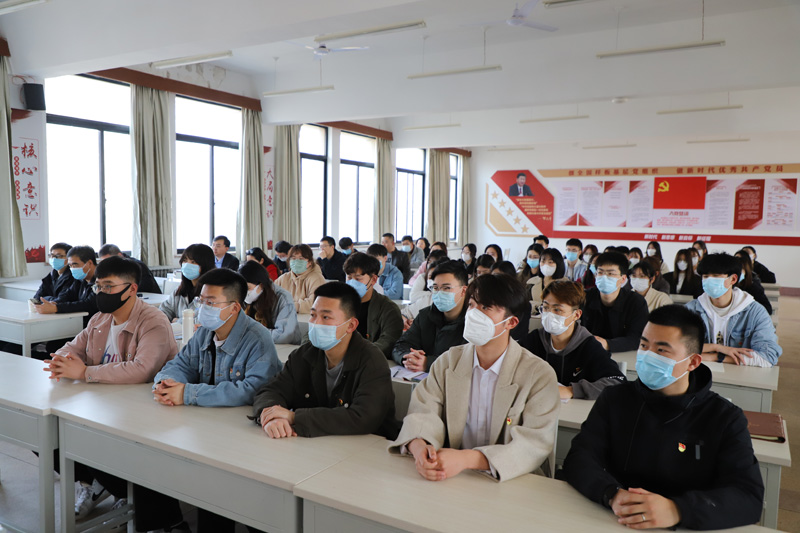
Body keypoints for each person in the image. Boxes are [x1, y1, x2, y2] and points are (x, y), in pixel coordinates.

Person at [562, 305, 764, 531]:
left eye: (661, 350)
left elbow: (748, 497)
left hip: (685, 525)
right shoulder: (615, 398)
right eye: (644, 346)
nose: (647, 356)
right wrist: (611, 494)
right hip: (617, 518)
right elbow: (579, 458)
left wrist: (678, 510)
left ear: (693, 362)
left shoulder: (724, 418)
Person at [44, 256, 181, 528]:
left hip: (145, 410)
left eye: (108, 286)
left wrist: (85, 372)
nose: (101, 292)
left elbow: (142, 369)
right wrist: (61, 360)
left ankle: (133, 497)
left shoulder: (153, 321)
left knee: (100, 443)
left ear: (131, 288)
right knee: (51, 436)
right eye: (98, 286)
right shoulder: (100, 318)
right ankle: (101, 484)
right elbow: (73, 347)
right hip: (105, 402)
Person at [389, 273, 559, 482]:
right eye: (471, 305)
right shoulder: (448, 361)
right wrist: (420, 446)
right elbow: (424, 413)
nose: (473, 314)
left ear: (511, 322)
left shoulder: (538, 374)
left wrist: (467, 459)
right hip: (450, 475)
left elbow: (533, 444)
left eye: (486, 307)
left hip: (509, 480)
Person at [153, 268, 281, 533]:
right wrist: (166, 384)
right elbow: (180, 364)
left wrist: (188, 393)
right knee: (162, 465)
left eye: (211, 302)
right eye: (201, 300)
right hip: (209, 428)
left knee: (224, 491)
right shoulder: (205, 332)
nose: (203, 308)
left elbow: (251, 389)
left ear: (234, 307)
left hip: (245, 438)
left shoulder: (258, 338)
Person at [253, 282, 400, 440]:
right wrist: (272, 415)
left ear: (351, 325)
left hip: (366, 446)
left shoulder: (372, 361)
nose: (316, 323)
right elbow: (271, 391)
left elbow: (364, 417)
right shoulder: (303, 355)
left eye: (326, 317)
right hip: (314, 444)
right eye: (313, 315)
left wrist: (295, 417)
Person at [523, 280, 625, 400]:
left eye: (557, 310)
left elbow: (618, 382)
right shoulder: (534, 339)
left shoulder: (589, 346)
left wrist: (571, 390)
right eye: (545, 308)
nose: (549, 314)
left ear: (576, 315)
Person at [685, 253, 780, 367]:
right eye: (705, 277)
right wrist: (717, 348)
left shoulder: (755, 312)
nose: (709, 281)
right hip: (700, 371)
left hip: (740, 375)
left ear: (733, 279)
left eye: (716, 276)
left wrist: (717, 357)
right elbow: (676, 349)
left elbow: (768, 357)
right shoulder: (690, 310)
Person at [392, 261, 468, 371]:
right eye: (435, 288)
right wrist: (408, 357)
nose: (439, 293)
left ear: (463, 290)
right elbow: (401, 345)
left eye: (446, 288)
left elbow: (467, 361)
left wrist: (427, 363)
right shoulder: (425, 315)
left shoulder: (473, 322)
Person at [581, 252, 649, 352]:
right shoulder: (584, 297)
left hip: (623, 355)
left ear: (623, 279)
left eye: (611, 274)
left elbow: (637, 338)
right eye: (600, 272)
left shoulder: (636, 302)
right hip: (588, 352)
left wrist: (607, 344)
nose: (604, 277)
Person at [341, 253, 403, 359]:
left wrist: (360, 354)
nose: (352, 283)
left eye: (358, 279)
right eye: (349, 277)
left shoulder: (388, 308)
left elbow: (388, 341)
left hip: (369, 360)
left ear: (373, 280)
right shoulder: (339, 303)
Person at [239, 260, 301, 344]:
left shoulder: (283, 298)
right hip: (257, 344)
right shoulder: (242, 297)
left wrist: (250, 334)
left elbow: (283, 336)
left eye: (248, 288)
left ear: (261, 285)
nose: (244, 292)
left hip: (285, 347)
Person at [34, 245, 99, 325]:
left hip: (96, 324)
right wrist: (54, 303)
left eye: (75, 264)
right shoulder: (81, 279)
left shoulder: (101, 280)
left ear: (89, 263)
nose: (72, 268)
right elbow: (67, 295)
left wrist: (56, 308)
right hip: (80, 322)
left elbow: (88, 304)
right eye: (70, 265)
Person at [159, 244, 215, 322]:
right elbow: (164, 310)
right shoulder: (180, 290)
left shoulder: (212, 292)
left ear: (205, 265)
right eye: (185, 261)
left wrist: (178, 321)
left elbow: (204, 320)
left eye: (193, 262)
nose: (187, 265)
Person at [275, 244, 326, 314]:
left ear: (310, 262)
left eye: (301, 259)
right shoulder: (283, 278)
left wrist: (289, 306)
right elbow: (271, 297)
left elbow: (315, 303)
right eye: (293, 258)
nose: (296, 261)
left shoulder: (317, 278)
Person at [401, 257, 449, 328]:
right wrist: (405, 320)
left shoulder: (451, 301)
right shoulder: (427, 299)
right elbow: (402, 314)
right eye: (430, 277)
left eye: (436, 277)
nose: (434, 281)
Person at [734, 250, 772, 314]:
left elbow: (767, 309)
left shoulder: (754, 288)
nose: (737, 273)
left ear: (746, 271)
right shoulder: (728, 287)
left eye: (741, 270)